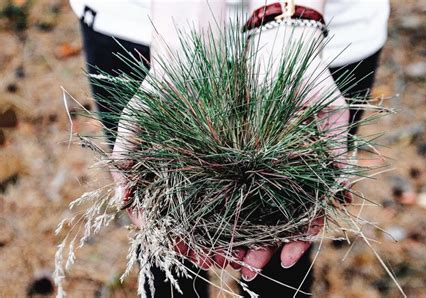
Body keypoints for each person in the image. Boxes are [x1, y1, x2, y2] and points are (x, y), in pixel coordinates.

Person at [71, 1, 389, 297]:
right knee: (166, 235)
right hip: (142, 19)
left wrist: (288, 32)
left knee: (284, 234)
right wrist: (184, 37)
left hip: (327, 26)